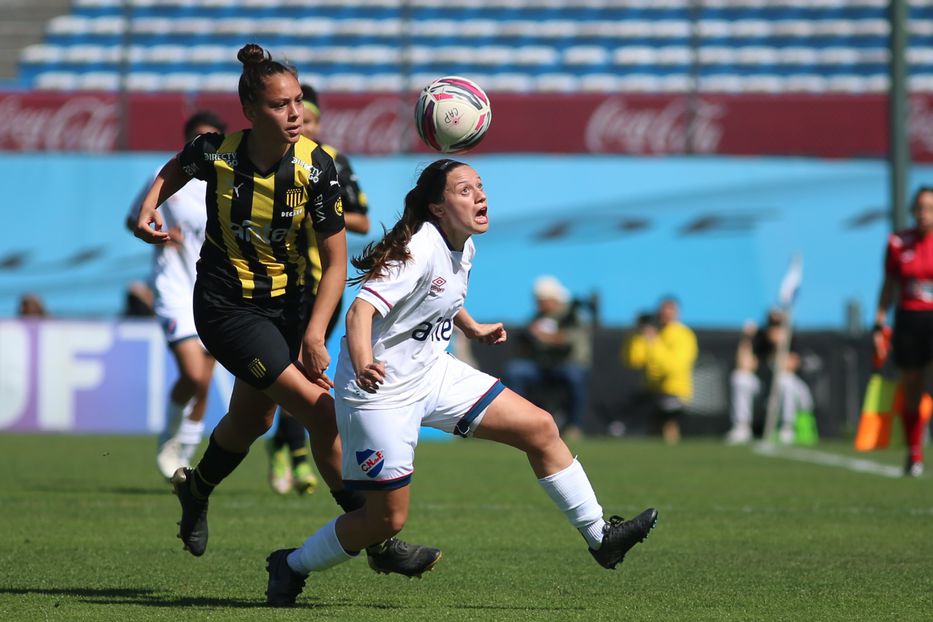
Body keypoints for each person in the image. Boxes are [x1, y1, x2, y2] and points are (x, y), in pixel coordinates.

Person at [264, 159, 658, 607]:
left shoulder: (463, 246)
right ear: (437, 207)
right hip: (381, 391)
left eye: (480, 187)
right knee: (385, 521)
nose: (480, 196)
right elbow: (360, 312)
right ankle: (290, 565)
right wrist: (363, 360)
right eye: (465, 190)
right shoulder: (416, 250)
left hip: (433, 371)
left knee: (540, 428)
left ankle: (600, 536)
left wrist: (469, 326)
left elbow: (442, 293)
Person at [133, 43, 439, 575]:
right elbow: (175, 169)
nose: (295, 113)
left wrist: (316, 331)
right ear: (251, 113)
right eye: (280, 105)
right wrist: (147, 208)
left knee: (253, 418)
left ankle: (196, 488)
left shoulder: (317, 169)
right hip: (227, 309)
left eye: (298, 101)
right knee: (323, 415)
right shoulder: (217, 153)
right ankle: (378, 544)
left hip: (292, 305)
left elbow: (336, 261)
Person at [267, 82, 373, 496]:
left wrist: (324, 214)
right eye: (297, 118)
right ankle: (293, 454)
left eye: (309, 119)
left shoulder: (332, 162)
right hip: (281, 286)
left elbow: (362, 219)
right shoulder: (270, 160)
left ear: (319, 122)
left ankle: (286, 450)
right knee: (293, 373)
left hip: (323, 287)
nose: (303, 126)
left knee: (306, 372)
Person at [126, 110, 225, 480]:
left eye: (211, 140)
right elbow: (134, 217)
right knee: (194, 374)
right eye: (197, 140)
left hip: (215, 287)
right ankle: (170, 437)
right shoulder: (167, 177)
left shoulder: (229, 183)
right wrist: (157, 229)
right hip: (172, 287)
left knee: (206, 377)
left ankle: (185, 453)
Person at [874, 186, 933, 477]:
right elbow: (888, 283)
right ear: (913, 210)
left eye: (930, 208)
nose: (924, 214)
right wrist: (879, 321)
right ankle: (914, 453)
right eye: (920, 208)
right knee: (912, 387)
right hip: (909, 320)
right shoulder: (898, 242)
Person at [504, 275, 591, 439]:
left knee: (575, 375)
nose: (538, 304)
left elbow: (569, 341)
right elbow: (526, 345)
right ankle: (519, 422)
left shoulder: (571, 314)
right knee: (515, 371)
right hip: (543, 366)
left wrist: (544, 337)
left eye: (542, 300)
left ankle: (574, 426)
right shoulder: (538, 316)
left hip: (568, 365)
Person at [725, 310, 814, 445]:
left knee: (786, 380)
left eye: (778, 325)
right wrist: (747, 338)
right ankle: (742, 428)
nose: (774, 329)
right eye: (771, 324)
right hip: (764, 393)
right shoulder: (760, 338)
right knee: (740, 378)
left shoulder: (791, 338)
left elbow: (787, 367)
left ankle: (787, 428)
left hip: (796, 397)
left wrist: (779, 347)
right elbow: (744, 365)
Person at [621, 297, 697, 444]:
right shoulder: (653, 333)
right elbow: (633, 360)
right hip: (651, 391)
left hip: (675, 392)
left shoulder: (683, 335)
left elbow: (673, 367)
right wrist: (637, 334)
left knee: (666, 420)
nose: (665, 315)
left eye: (670, 311)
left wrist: (654, 342)